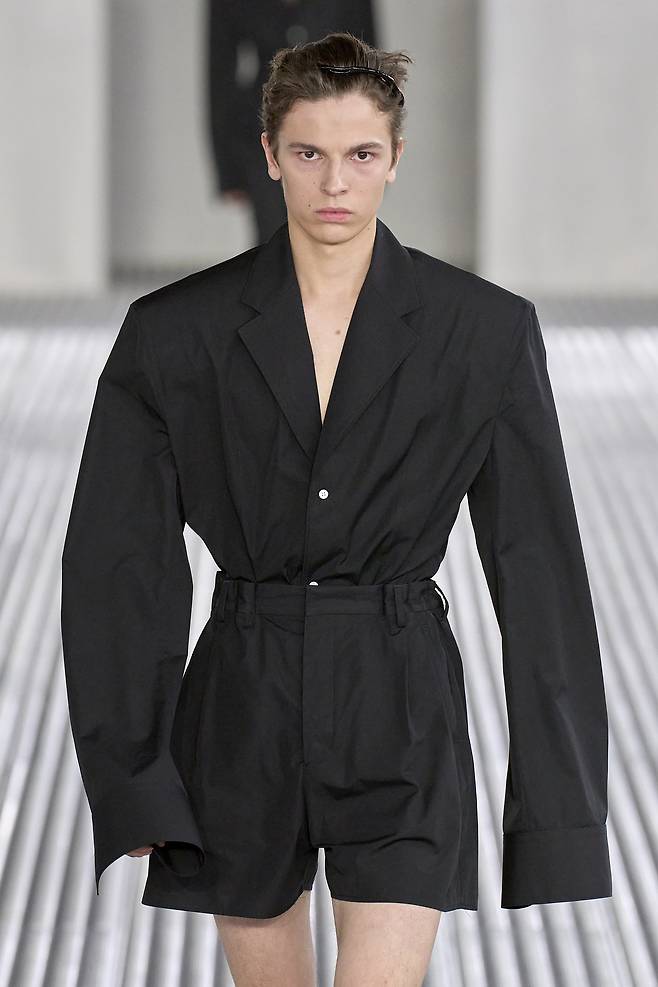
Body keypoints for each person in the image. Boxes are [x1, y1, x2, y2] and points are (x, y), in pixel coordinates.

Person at [61, 30, 612, 987]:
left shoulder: (482, 332)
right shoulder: (175, 334)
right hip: (242, 710)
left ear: (396, 158)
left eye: (360, 154)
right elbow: (118, 562)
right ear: (269, 155)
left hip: (401, 709)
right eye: (308, 152)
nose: (334, 183)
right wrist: (133, 774)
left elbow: (540, 573)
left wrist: (559, 814)